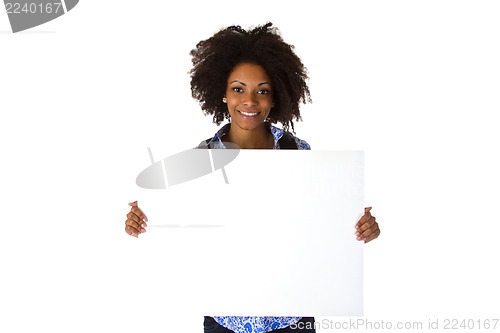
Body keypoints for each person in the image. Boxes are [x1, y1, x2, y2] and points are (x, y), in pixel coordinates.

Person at [124, 23, 381, 333]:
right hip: (225, 319)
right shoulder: (196, 160)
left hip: (291, 317)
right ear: (222, 92)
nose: (249, 100)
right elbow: (181, 231)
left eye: (262, 90)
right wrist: (144, 220)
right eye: (238, 89)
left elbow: (321, 228)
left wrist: (361, 227)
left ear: (275, 96)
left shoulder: (300, 153)